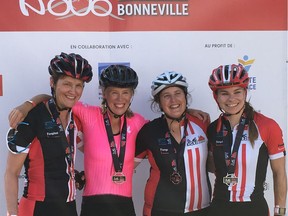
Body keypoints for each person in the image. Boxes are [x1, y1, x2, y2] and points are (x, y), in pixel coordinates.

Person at [8, 65, 210, 216]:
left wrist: (185, 110)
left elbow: (166, 122)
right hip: (92, 205)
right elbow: (55, 99)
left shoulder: (139, 123)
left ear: (132, 96)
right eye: (114, 92)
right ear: (104, 94)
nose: (120, 99)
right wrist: (28, 104)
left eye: (125, 93)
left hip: (125, 206)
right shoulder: (88, 114)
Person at [5, 52, 93, 216]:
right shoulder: (31, 118)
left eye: (78, 85)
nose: (73, 91)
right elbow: (11, 173)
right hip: (37, 207)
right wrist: (11, 212)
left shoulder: (77, 118)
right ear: (53, 82)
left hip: (69, 206)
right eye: (67, 84)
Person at [207, 64, 287, 216]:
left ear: (245, 93)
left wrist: (280, 212)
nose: (231, 99)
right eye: (224, 93)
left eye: (237, 92)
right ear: (216, 97)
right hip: (219, 207)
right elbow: (212, 166)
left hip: (254, 208)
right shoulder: (212, 128)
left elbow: (279, 173)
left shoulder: (267, 126)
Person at [134, 71, 211, 216]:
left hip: (201, 209)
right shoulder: (149, 131)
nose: (173, 100)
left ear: (185, 97)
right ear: (159, 102)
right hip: (160, 209)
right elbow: (126, 165)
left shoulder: (202, 124)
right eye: (166, 96)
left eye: (178, 93)